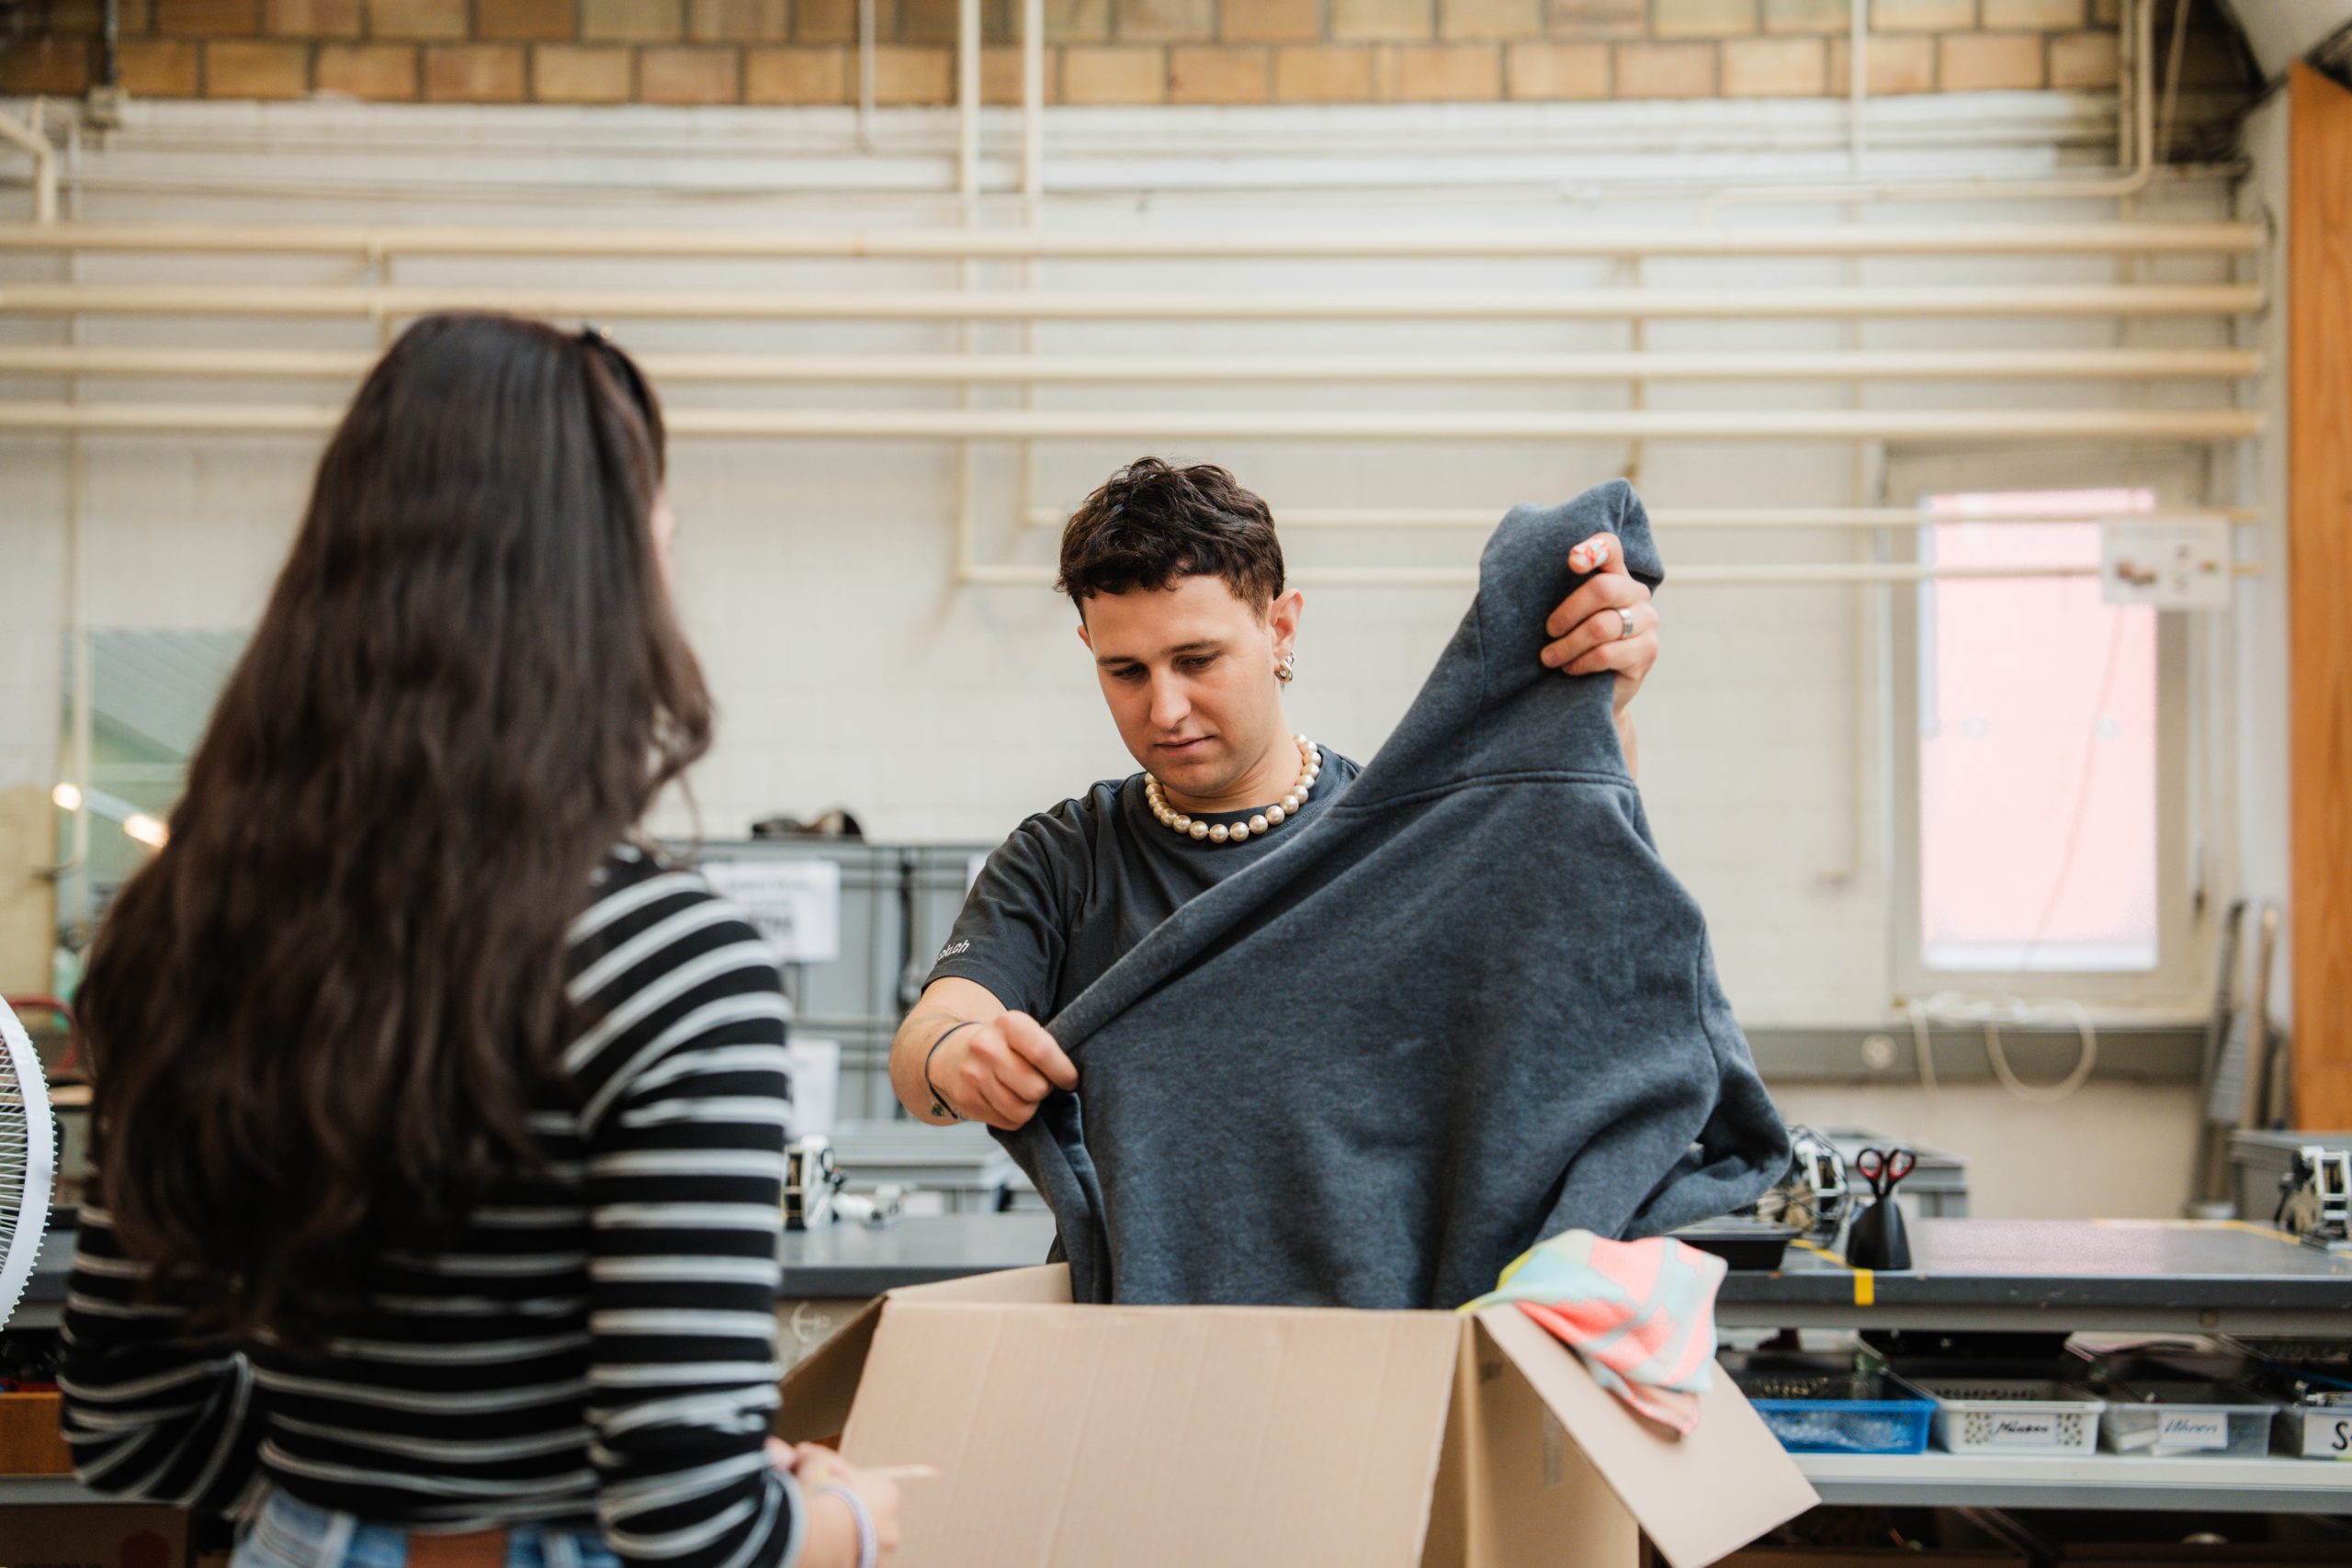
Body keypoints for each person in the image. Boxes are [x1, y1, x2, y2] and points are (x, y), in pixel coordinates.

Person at [57, 314, 899, 1568]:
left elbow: (129, 1423)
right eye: (660, 545)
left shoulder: (184, 928)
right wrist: (850, 1515)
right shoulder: (670, 961)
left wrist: (354, 1497)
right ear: (603, 593)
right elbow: (688, 1519)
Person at [888, 457, 1660, 1134]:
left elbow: (1578, 924)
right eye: (1126, 671)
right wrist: (955, 1057)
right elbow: (931, 1036)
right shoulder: (1062, 861)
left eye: (1197, 659)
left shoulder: (1404, 839)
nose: (1165, 708)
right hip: (1125, 1267)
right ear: (1090, 647)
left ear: (1280, 629)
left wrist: (1602, 709)